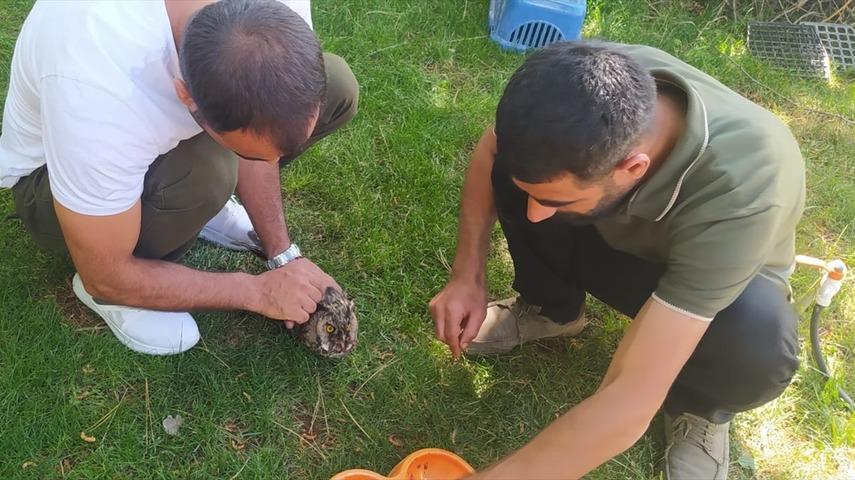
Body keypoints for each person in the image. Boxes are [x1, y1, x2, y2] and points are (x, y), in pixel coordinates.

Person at [429, 40, 803, 479]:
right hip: (615, 236)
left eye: (551, 200)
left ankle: (699, 409)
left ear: (633, 167)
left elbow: (628, 397)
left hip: (709, 291)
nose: (532, 216)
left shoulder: (746, 191)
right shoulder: (577, 80)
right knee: (523, 181)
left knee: (758, 337)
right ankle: (552, 311)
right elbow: (493, 149)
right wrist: (467, 275)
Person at [0, 0, 358, 355]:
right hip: (51, 185)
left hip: (137, 135)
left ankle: (196, 208)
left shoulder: (279, 11)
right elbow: (106, 273)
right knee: (208, 174)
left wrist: (282, 254)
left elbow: (263, 119)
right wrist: (256, 291)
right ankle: (121, 298)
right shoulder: (96, 84)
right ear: (186, 96)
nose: (274, 165)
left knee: (337, 85)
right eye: (251, 155)